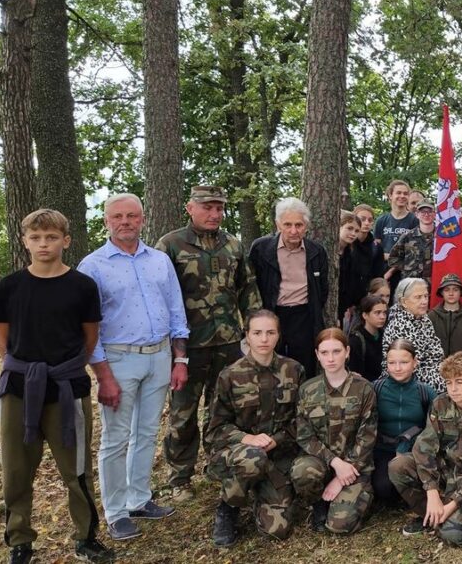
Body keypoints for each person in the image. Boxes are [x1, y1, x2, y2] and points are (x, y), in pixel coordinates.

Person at [0, 209, 114, 564]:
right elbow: (4, 343)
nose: (43, 244)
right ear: (24, 241)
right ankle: (20, 541)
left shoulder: (82, 286)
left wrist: (61, 369)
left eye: (51, 237)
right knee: (16, 469)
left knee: (76, 470)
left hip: (66, 387)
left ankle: (86, 537)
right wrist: (30, 371)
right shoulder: (9, 287)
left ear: (65, 240)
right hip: (19, 389)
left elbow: (89, 339)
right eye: (36, 237)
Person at [77, 194, 186, 541]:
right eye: (118, 216)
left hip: (160, 355)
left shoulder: (158, 260)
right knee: (116, 438)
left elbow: (175, 308)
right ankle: (116, 511)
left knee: (147, 432)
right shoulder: (92, 266)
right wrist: (102, 374)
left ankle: (139, 498)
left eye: (132, 216)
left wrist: (179, 358)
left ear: (142, 219)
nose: (125, 222)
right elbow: (87, 326)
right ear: (107, 221)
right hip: (118, 357)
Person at [156, 185, 262, 503]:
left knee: (222, 409)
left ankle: (218, 464)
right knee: (183, 412)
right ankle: (179, 477)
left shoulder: (233, 245)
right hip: (187, 345)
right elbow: (159, 296)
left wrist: (255, 331)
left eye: (219, 208)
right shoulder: (171, 245)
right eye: (207, 207)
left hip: (228, 341)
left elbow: (248, 290)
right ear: (190, 208)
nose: (214, 214)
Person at [205, 310, 302, 546]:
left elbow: (300, 421)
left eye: (270, 332)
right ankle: (228, 508)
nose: (264, 339)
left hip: (277, 456)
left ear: (278, 336)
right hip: (240, 454)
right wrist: (246, 438)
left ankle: (261, 492)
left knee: (276, 530)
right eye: (257, 333)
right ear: (247, 336)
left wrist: (278, 439)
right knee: (253, 459)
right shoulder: (230, 375)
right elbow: (214, 429)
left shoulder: (294, 370)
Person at [389, 352, 462, 546]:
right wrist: (432, 492)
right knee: (398, 466)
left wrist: (453, 504)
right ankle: (430, 513)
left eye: (459, 382)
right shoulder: (440, 404)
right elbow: (423, 448)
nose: (453, 389)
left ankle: (448, 514)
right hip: (442, 472)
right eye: (449, 383)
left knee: (452, 536)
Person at [291, 328, 377, 534]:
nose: (331, 358)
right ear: (317, 355)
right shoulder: (307, 390)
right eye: (325, 352)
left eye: (337, 351)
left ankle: (356, 498)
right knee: (302, 472)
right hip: (322, 461)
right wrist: (334, 462)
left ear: (347, 352)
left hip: (354, 466)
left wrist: (341, 476)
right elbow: (304, 435)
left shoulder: (364, 389)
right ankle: (318, 504)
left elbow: (367, 437)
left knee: (340, 526)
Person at [249, 198, 329, 380]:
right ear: (278, 224)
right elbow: (252, 284)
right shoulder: (261, 248)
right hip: (272, 314)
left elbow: (323, 289)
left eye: (299, 225)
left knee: (303, 367)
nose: (294, 231)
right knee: (268, 364)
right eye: (288, 225)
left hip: (304, 317)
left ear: (306, 226)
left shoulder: (316, 251)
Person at [372, 340, 436, 505]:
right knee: (384, 488)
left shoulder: (425, 392)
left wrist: (406, 447)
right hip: (382, 450)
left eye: (404, 362)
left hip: (413, 451)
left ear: (415, 362)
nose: (397, 368)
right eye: (392, 363)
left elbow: (433, 429)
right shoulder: (376, 389)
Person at [382, 278, 445, 393]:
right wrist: (442, 377)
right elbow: (410, 369)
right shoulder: (400, 325)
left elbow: (436, 352)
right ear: (404, 302)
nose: (424, 301)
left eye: (426, 296)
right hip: (406, 382)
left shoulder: (424, 319)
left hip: (430, 372)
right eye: (418, 297)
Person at [386, 202, 436, 283]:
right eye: (422, 212)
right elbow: (393, 259)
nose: (426, 214)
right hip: (411, 285)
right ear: (417, 214)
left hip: (435, 285)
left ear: (435, 214)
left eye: (430, 211)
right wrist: (409, 267)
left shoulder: (442, 238)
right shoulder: (407, 236)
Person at [374, 180, 418, 259]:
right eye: (398, 193)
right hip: (383, 268)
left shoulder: (415, 220)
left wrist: (393, 257)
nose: (402, 196)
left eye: (405, 194)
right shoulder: (381, 220)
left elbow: (416, 250)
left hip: (406, 268)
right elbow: (376, 250)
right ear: (390, 195)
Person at [348, 295, 388, 382]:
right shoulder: (356, 340)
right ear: (365, 315)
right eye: (377, 313)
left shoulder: (386, 335)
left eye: (384, 312)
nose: (382, 317)